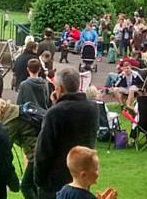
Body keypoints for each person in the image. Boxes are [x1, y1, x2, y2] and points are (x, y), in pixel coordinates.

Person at [34, 67, 99, 199]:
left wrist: (39, 180)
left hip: (55, 180)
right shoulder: (93, 108)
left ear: (59, 88)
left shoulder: (55, 113)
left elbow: (43, 151)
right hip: (81, 175)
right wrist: (56, 103)